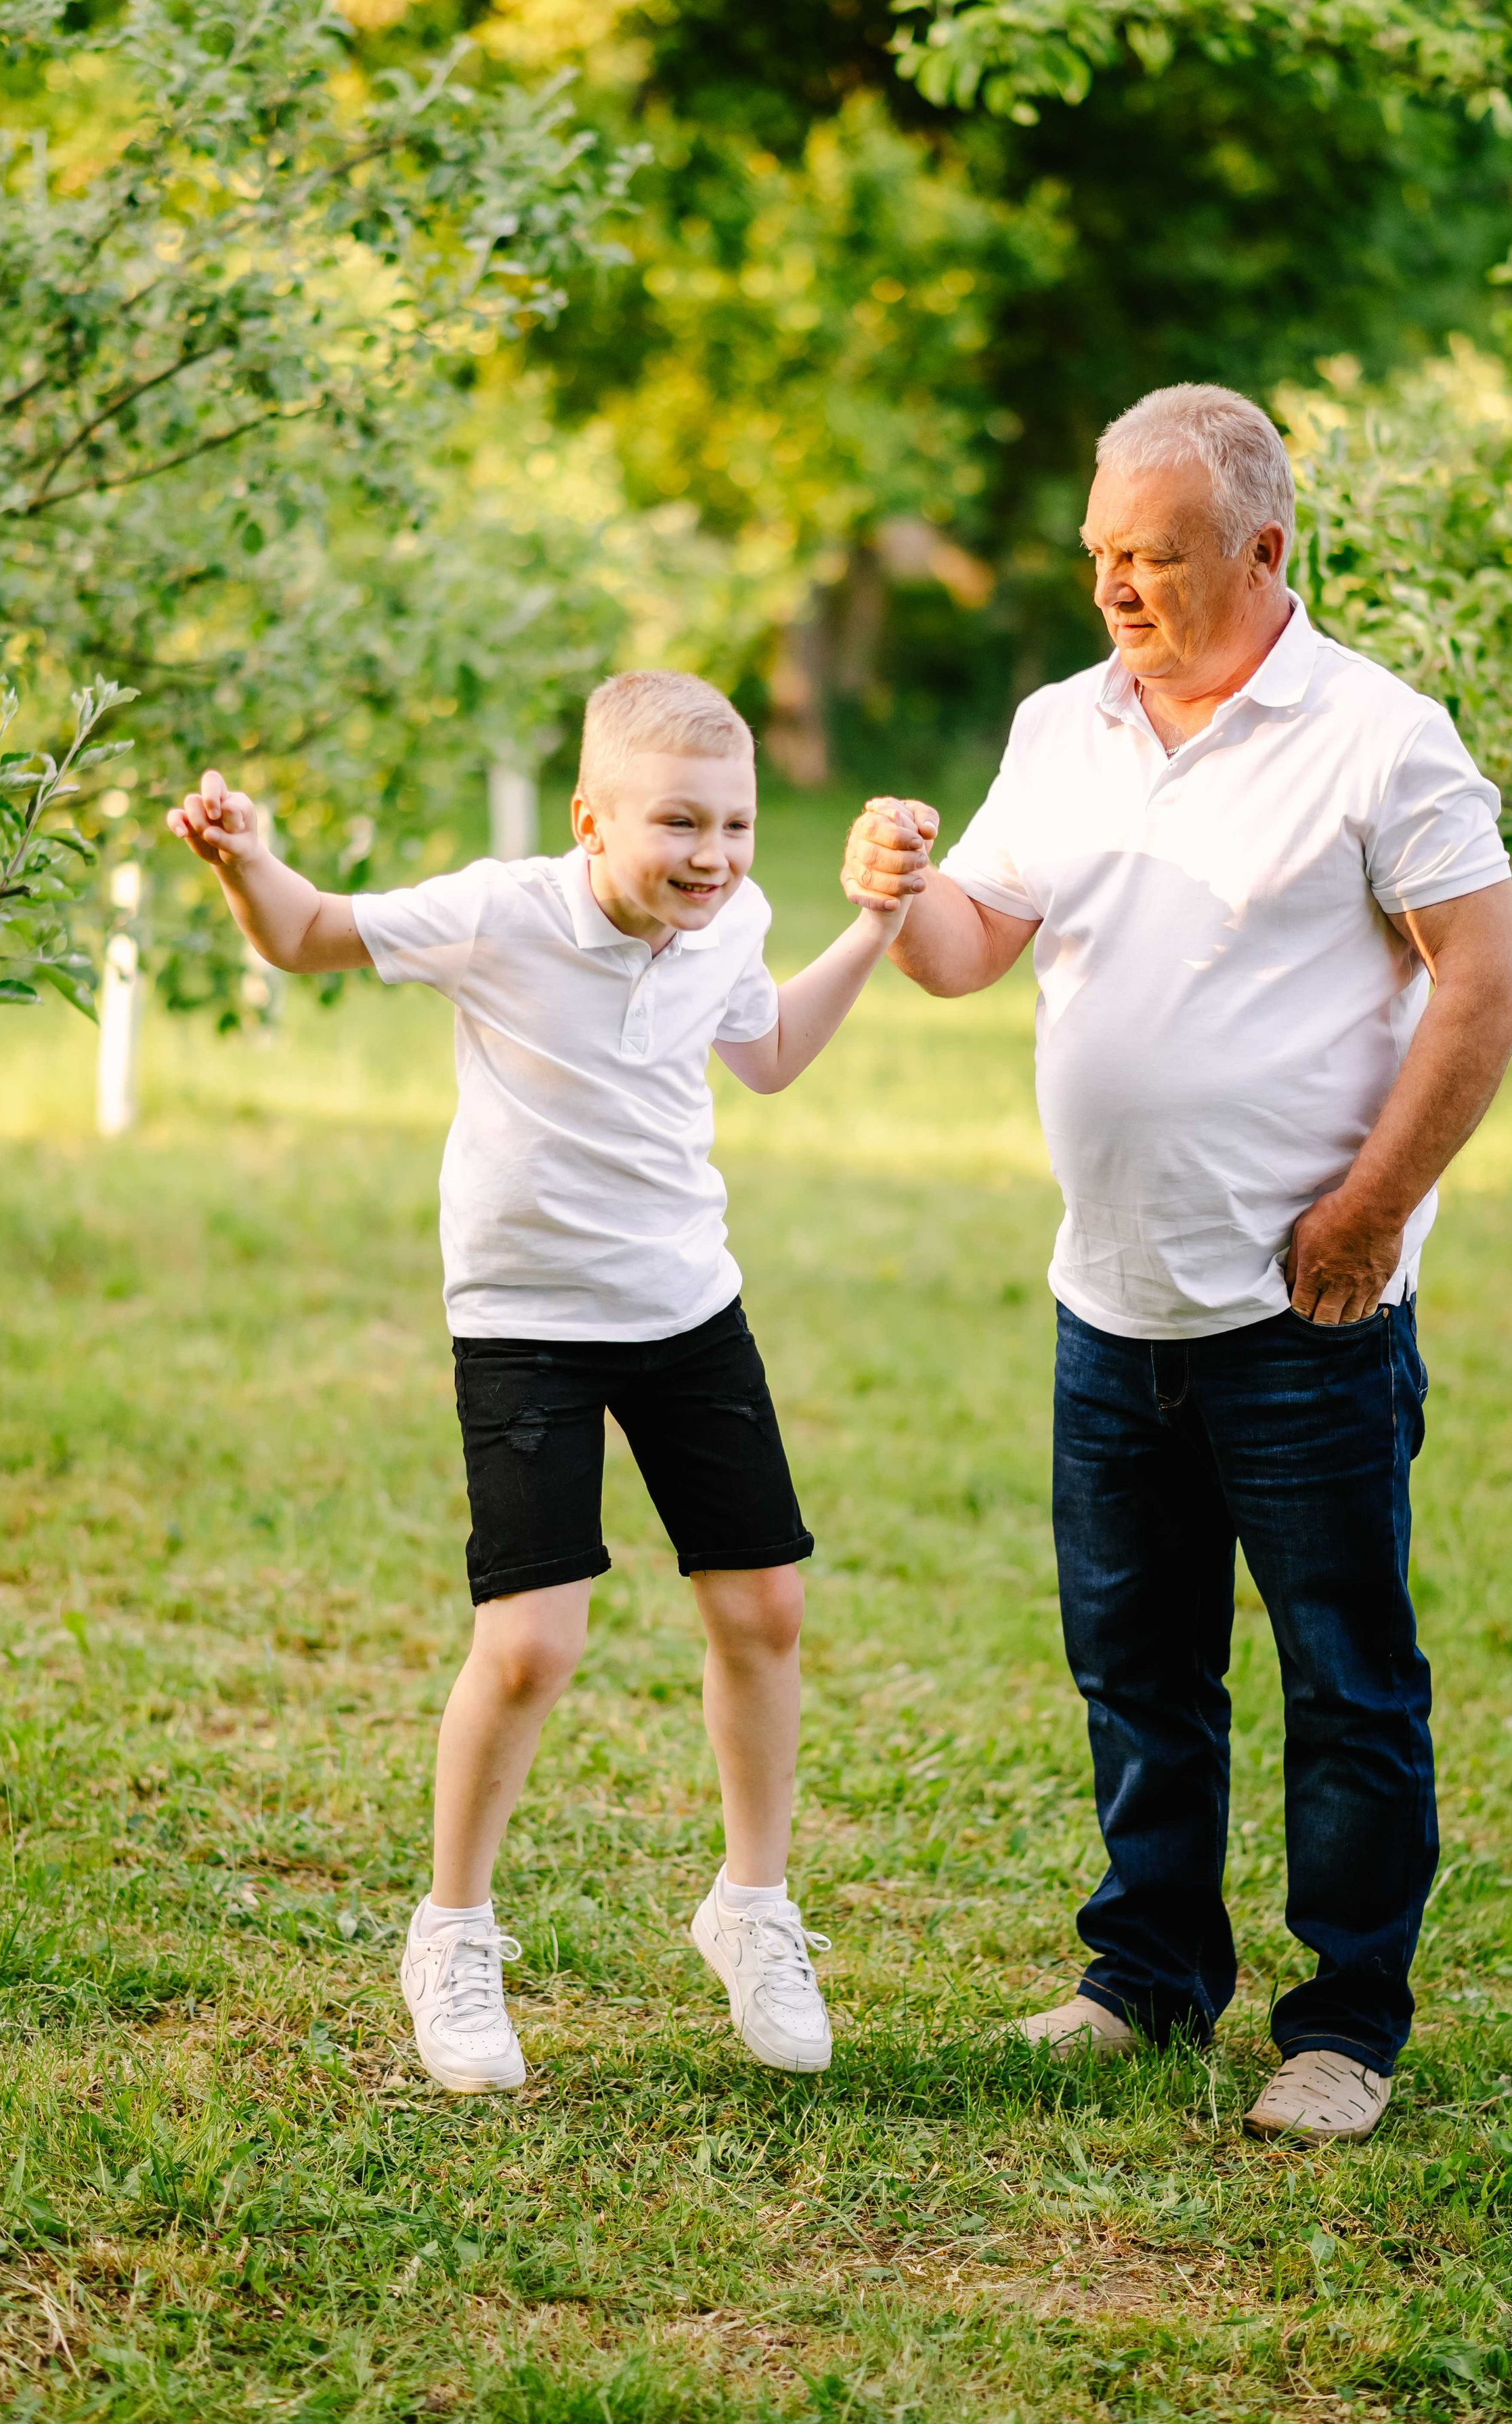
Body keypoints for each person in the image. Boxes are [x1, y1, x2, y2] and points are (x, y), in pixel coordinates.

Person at [840, 384, 1512, 2144]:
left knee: (1344, 1678)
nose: (1116, 591)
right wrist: (891, 890)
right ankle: (1147, 1979)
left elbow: (1487, 983)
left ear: (1263, 550)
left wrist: (1371, 1216)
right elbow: (965, 950)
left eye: (1153, 557)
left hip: (1305, 1312)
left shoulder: (1381, 738)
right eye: (1098, 554)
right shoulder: (1061, 726)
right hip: (1111, 1297)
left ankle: (1345, 2027)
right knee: (1137, 1666)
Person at [168, 670, 930, 2094]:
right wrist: (249, 861)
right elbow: (308, 936)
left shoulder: (736, 919)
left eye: (736, 824)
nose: (710, 855)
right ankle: (449, 1933)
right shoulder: (499, 910)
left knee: (764, 1607)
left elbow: (762, 1054)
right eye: (677, 823)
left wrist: (875, 926)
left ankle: (751, 1910)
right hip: (524, 1321)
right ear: (589, 819)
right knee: (530, 1646)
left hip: (685, 1304)